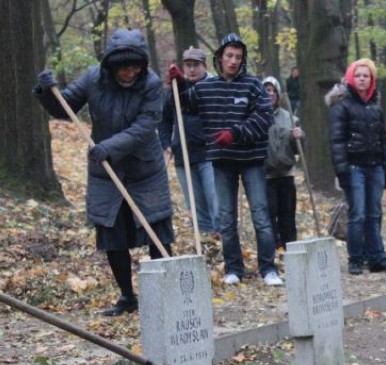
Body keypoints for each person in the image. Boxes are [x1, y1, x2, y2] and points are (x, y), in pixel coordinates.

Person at [34, 28, 174, 317]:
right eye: (124, 67)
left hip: (144, 169)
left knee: (156, 229)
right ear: (111, 66)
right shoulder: (92, 78)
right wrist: (47, 92)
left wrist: (109, 146)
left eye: (135, 66)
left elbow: (145, 126)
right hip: (106, 171)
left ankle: (166, 293)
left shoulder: (151, 84)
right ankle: (127, 296)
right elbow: (65, 108)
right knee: (112, 232)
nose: (130, 72)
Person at [168, 33, 282, 286]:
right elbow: (186, 104)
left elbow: (265, 118)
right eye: (229, 56)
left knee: (261, 215)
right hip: (221, 161)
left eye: (238, 57)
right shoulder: (206, 87)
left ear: (243, 61)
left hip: (251, 159)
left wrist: (235, 133)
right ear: (220, 58)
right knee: (226, 217)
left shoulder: (253, 86)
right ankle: (234, 268)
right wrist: (179, 83)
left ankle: (268, 268)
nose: (233, 61)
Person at [326, 59, 386, 275]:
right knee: (357, 214)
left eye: (365, 76)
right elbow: (337, 141)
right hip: (354, 168)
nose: (361, 79)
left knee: (374, 213)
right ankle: (356, 259)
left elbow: (383, 139)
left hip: (375, 166)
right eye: (358, 75)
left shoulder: (375, 106)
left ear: (371, 79)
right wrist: (342, 170)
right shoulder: (342, 106)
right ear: (351, 77)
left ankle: (377, 257)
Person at [159, 46, 219, 234]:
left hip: (209, 155)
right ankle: (208, 246)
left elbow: (200, 104)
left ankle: (226, 245)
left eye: (195, 65)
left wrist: (183, 85)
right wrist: (167, 143)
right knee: (196, 209)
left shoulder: (213, 86)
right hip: (184, 156)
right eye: (188, 65)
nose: (191, 70)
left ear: (204, 66)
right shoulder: (174, 90)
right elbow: (164, 120)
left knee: (217, 205)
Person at [262, 76, 303, 250]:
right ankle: (272, 251)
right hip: (265, 176)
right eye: (265, 90)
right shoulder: (255, 117)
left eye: (271, 90)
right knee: (269, 217)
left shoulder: (290, 118)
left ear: (277, 94)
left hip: (286, 175)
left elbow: (299, 149)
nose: (269, 94)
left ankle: (291, 250)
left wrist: (299, 137)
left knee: (288, 216)